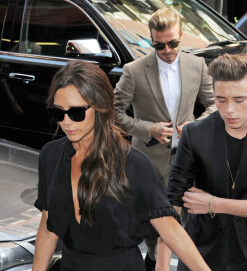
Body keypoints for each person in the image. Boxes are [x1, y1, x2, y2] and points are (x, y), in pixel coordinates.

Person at [32, 60, 211, 271]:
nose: (66, 122)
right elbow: (47, 226)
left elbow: (171, 231)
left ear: (101, 107)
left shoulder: (133, 164)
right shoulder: (50, 156)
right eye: (58, 112)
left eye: (77, 113)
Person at [157, 53, 247, 271]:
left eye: (239, 100)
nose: (229, 109)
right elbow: (174, 199)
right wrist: (162, 262)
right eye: (220, 100)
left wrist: (213, 204)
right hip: (201, 251)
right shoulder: (195, 133)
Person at [114, 8, 216, 269]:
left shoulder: (197, 65)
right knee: (154, 225)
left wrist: (194, 125)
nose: (167, 49)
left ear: (182, 36)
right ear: (151, 40)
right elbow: (114, 113)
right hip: (148, 161)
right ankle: (153, 262)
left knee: (183, 221)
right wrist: (149, 128)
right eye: (159, 45)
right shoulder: (134, 70)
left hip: (187, 158)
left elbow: (214, 104)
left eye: (173, 43)